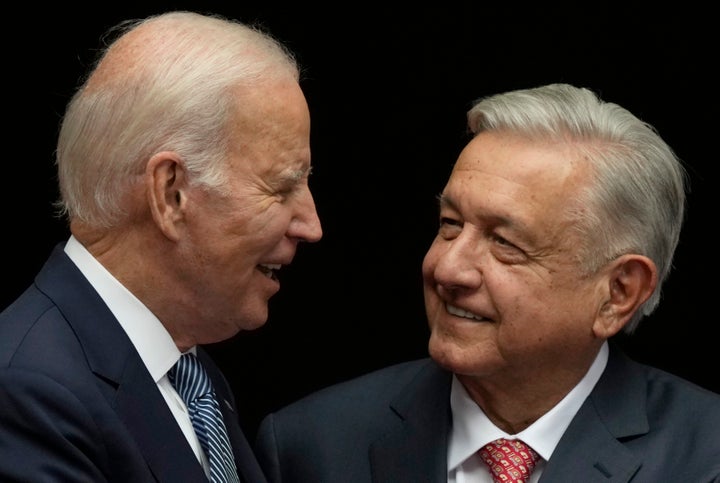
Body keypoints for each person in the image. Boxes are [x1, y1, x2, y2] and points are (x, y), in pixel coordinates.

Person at [253, 83, 720, 482]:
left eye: (504, 243)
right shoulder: (314, 447)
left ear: (619, 292)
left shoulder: (705, 455)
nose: (447, 269)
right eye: (450, 224)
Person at [0, 10, 322, 482]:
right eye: (281, 187)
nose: (311, 225)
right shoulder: (27, 394)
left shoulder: (190, 374)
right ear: (171, 194)